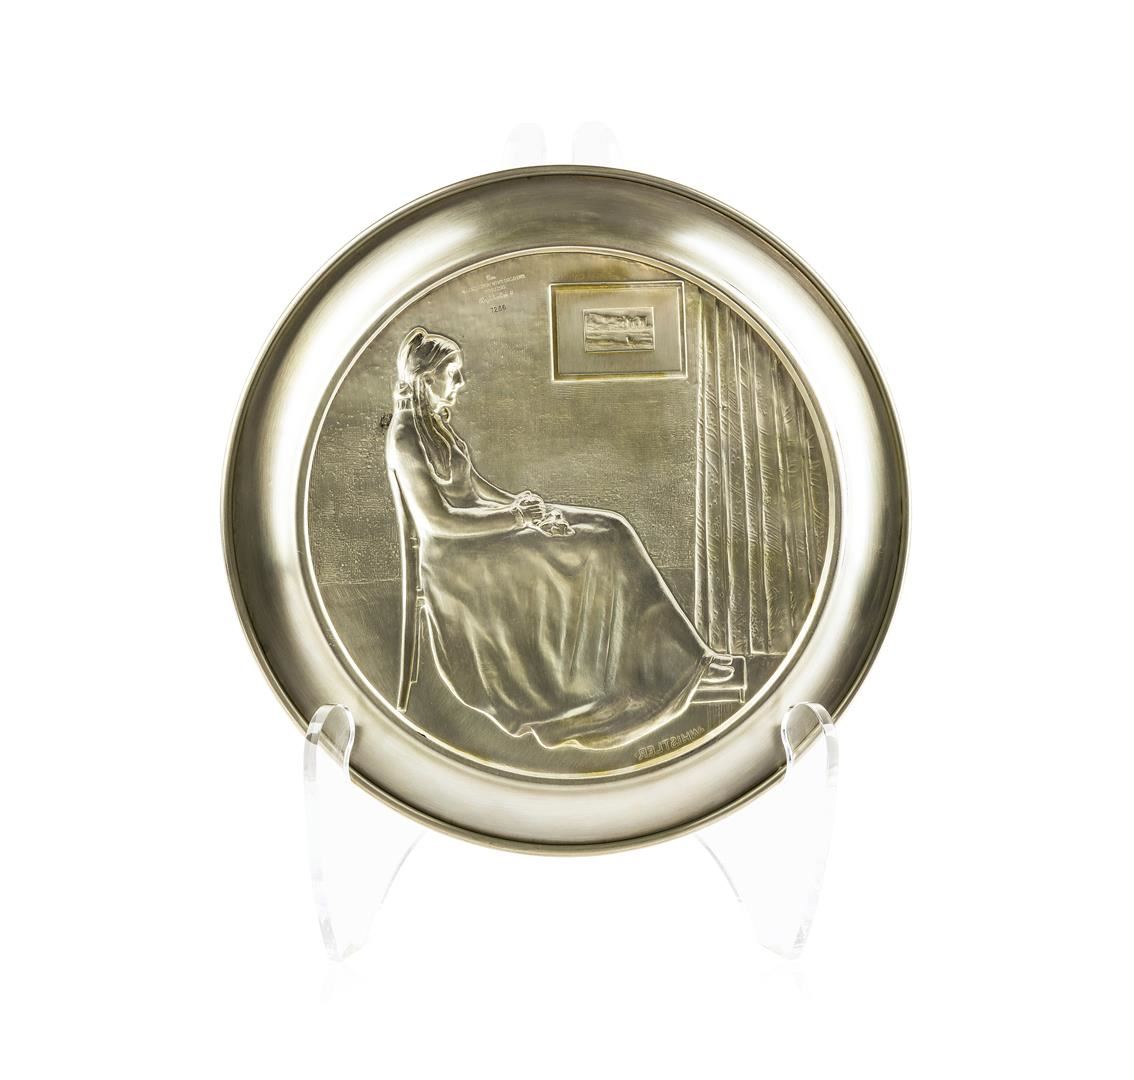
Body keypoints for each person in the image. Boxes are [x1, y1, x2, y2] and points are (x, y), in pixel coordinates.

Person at [385, 326, 742, 750]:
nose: (461, 382)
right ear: (427, 379)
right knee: (589, 550)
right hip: (458, 560)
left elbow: (474, 488)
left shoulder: (435, 425)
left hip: (486, 533)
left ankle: (681, 658)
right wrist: (517, 519)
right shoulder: (404, 437)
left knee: (612, 529)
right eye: (453, 373)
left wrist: (524, 505)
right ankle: (623, 675)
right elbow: (437, 521)